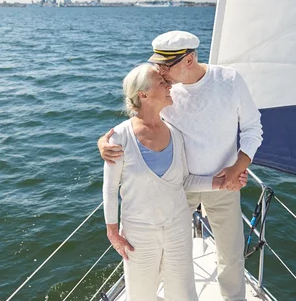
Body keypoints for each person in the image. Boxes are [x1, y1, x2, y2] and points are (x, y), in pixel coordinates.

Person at [99, 30, 263, 301]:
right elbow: (137, 117)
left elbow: (252, 128)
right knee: (168, 257)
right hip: (177, 188)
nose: (159, 71)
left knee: (231, 255)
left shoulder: (228, 80)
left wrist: (237, 168)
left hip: (223, 182)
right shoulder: (165, 89)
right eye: (158, 64)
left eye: (165, 64)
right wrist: (103, 144)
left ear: (188, 60)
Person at [103, 63, 226, 301]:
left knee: (183, 294)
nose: (169, 86)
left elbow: (184, 181)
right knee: (141, 295)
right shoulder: (119, 137)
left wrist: (220, 183)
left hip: (178, 227)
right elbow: (109, 190)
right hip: (138, 234)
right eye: (162, 83)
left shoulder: (175, 134)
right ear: (143, 94)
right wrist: (112, 233)